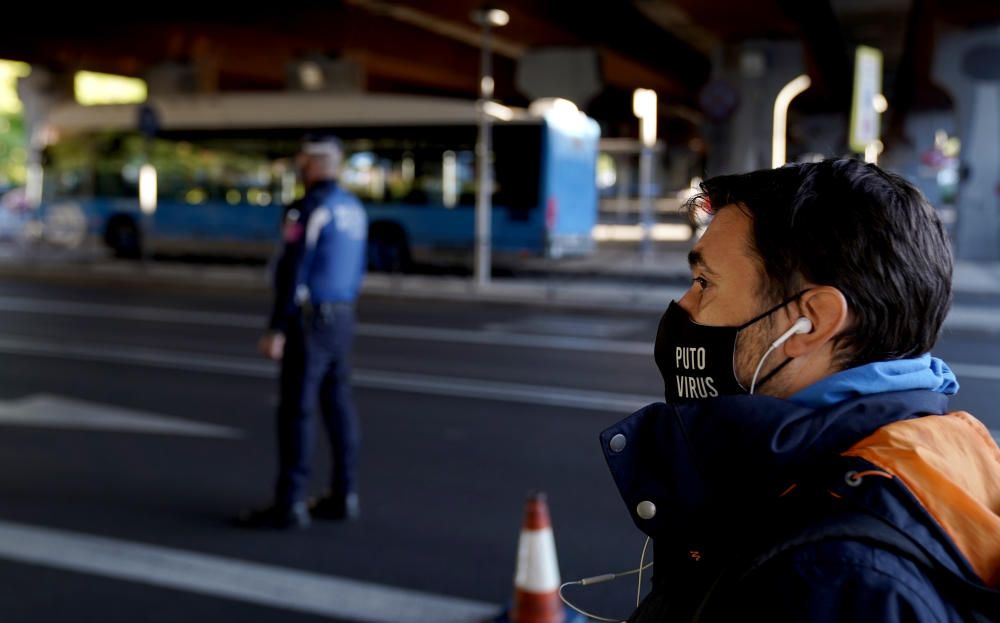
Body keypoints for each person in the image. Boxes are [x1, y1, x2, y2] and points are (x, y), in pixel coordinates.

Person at [600, 159, 1000, 621]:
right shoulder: (938, 458)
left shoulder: (826, 579)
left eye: (704, 283)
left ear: (813, 320)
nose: (683, 306)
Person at [238, 135, 367, 530]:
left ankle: (290, 503)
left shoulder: (308, 208)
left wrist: (278, 326)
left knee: (297, 411)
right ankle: (344, 494)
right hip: (343, 318)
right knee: (338, 408)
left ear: (311, 166)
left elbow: (293, 268)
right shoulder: (353, 207)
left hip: (309, 322)